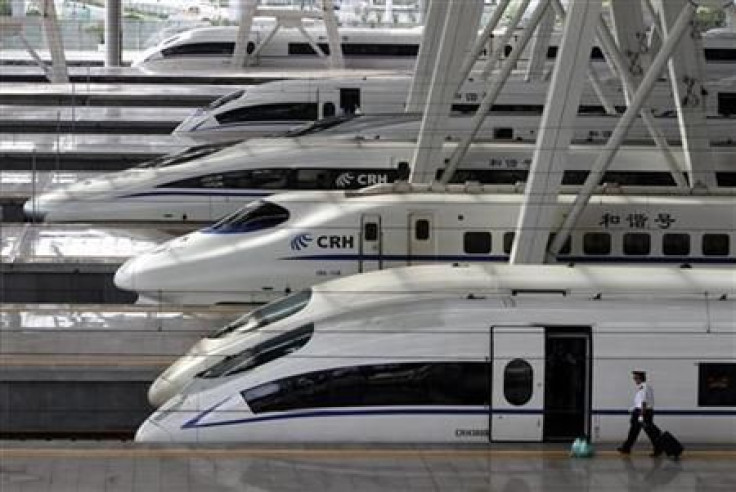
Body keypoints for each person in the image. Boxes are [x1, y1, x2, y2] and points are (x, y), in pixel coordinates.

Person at [618, 371, 662, 457]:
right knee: (634, 431)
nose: (634, 380)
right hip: (641, 412)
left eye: (635, 378)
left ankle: (658, 448)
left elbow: (643, 403)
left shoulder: (643, 388)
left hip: (643, 413)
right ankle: (626, 448)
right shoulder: (645, 387)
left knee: (650, 432)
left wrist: (641, 415)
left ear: (640, 378)